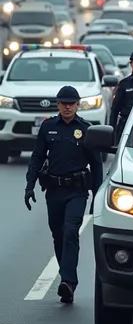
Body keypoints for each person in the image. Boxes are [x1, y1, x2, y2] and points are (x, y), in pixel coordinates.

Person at [24, 85, 103, 304]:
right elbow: (37, 157)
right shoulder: (48, 127)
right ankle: (66, 277)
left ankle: (68, 281)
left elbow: (96, 165)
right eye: (63, 103)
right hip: (54, 190)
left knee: (70, 232)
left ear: (78, 105)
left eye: (72, 103)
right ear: (57, 105)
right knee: (58, 235)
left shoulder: (87, 129)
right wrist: (29, 185)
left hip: (77, 191)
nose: (67, 107)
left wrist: (97, 196)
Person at [109, 48, 133, 143]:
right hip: (126, 124)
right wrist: (111, 131)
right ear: (131, 64)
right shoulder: (124, 84)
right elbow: (115, 110)